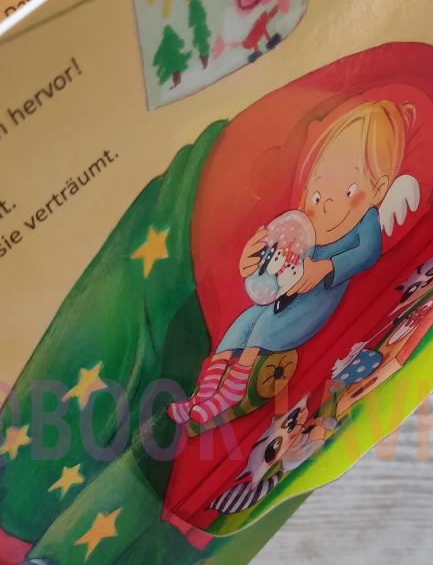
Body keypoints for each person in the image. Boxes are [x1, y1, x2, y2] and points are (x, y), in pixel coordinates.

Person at [169, 99, 420, 425]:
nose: (326, 201)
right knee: (241, 324)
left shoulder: (366, 220)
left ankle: (229, 394)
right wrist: (252, 262)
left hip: (314, 303)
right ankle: (201, 396)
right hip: (285, 295)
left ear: (379, 189)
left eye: (349, 190)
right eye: (319, 189)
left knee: (262, 327)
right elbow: (278, 259)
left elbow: (368, 252)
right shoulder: (303, 222)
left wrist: (326, 268)